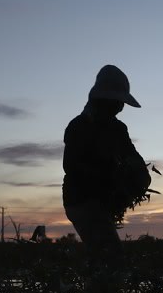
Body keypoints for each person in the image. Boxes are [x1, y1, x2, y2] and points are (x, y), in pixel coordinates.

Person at [62, 64, 151, 255]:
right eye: (118, 102)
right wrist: (110, 180)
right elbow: (72, 167)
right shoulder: (79, 127)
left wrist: (139, 178)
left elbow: (133, 157)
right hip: (81, 201)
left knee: (104, 258)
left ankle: (96, 281)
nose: (121, 107)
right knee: (111, 258)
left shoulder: (118, 129)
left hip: (101, 203)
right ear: (104, 100)